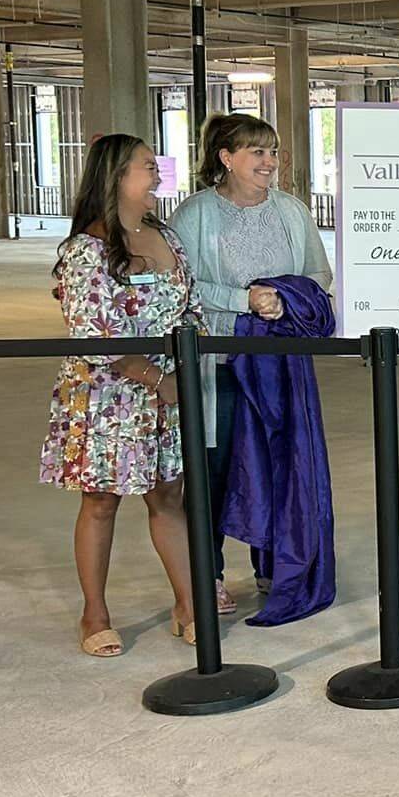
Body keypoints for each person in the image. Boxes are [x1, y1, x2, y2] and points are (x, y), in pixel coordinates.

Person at [39, 134, 203, 657]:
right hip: (107, 396)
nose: (157, 176)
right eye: (147, 167)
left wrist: (183, 367)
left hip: (167, 394)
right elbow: (93, 335)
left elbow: (191, 306)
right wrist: (157, 380)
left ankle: (189, 606)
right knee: (101, 501)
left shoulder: (166, 236)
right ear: (116, 176)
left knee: (168, 497)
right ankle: (95, 615)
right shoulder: (86, 250)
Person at [170, 112, 334, 609]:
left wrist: (285, 299)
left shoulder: (292, 211)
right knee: (216, 470)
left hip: (280, 362)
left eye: (273, 152)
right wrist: (244, 300)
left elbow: (318, 274)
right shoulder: (195, 214)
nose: (269, 162)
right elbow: (179, 284)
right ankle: (209, 575)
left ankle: (278, 565)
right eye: (257, 152)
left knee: (281, 462)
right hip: (219, 362)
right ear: (226, 158)